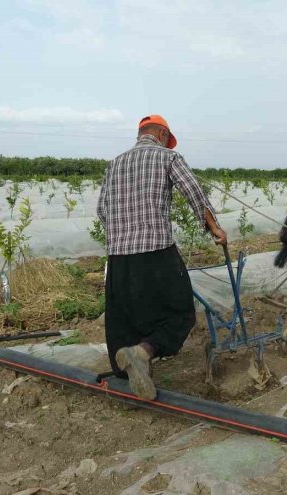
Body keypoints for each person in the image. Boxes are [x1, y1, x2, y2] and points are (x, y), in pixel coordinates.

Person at [96, 114, 227, 400]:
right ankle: (144, 352)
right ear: (162, 134)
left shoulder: (114, 164)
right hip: (156, 251)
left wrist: (120, 236)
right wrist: (215, 227)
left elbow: (102, 211)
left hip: (118, 259)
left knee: (125, 322)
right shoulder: (168, 157)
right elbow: (194, 192)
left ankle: (130, 371)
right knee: (180, 313)